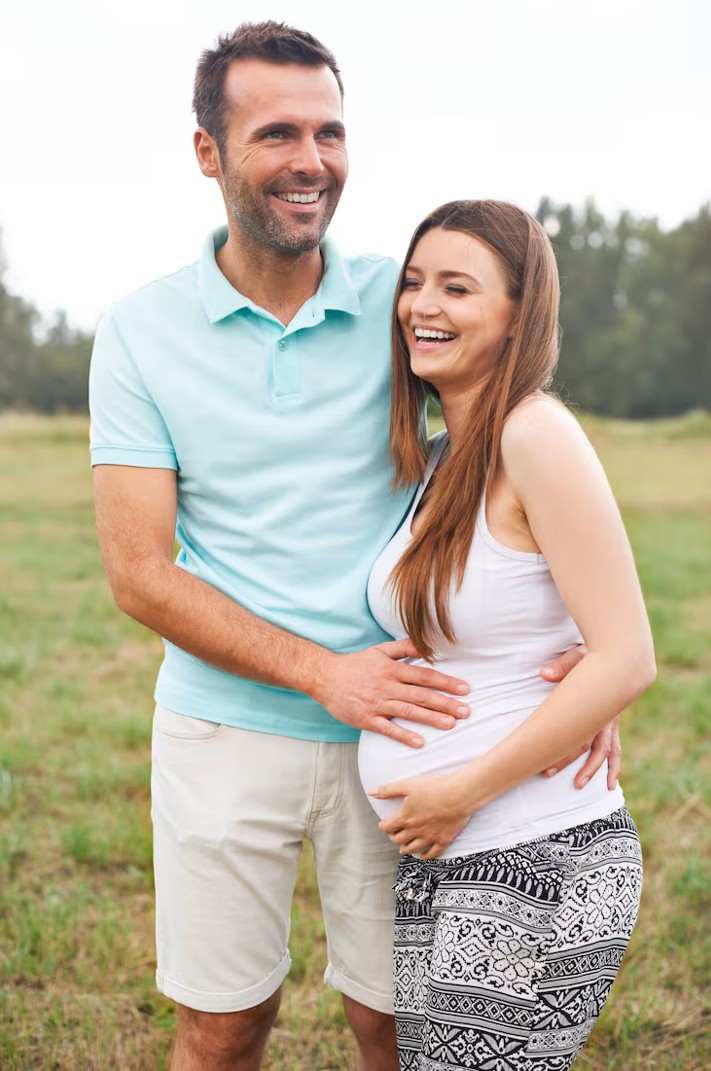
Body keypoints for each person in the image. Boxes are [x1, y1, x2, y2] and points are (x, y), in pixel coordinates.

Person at [89, 22, 620, 1071]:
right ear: (208, 152)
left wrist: (571, 665)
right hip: (221, 729)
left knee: (396, 1021)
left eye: (330, 132)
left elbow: (515, 460)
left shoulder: (402, 298)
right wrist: (323, 674)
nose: (311, 160)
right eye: (277, 133)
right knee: (222, 1024)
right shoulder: (141, 330)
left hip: (419, 725)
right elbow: (139, 573)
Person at [358, 199, 656, 1071]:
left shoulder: (535, 433)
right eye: (413, 283)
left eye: (456, 287)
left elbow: (627, 654)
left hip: (536, 852)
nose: (422, 305)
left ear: (517, 315)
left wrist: (462, 790)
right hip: (452, 855)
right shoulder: (447, 453)